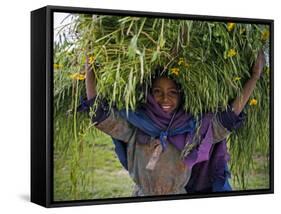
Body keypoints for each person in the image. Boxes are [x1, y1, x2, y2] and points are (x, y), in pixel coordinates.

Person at [78, 50, 265, 196]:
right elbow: (100, 115)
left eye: (172, 92)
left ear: (181, 96)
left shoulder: (194, 130)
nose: (164, 98)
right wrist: (89, 68)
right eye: (158, 91)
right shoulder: (136, 125)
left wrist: (254, 77)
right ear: (150, 95)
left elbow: (228, 118)